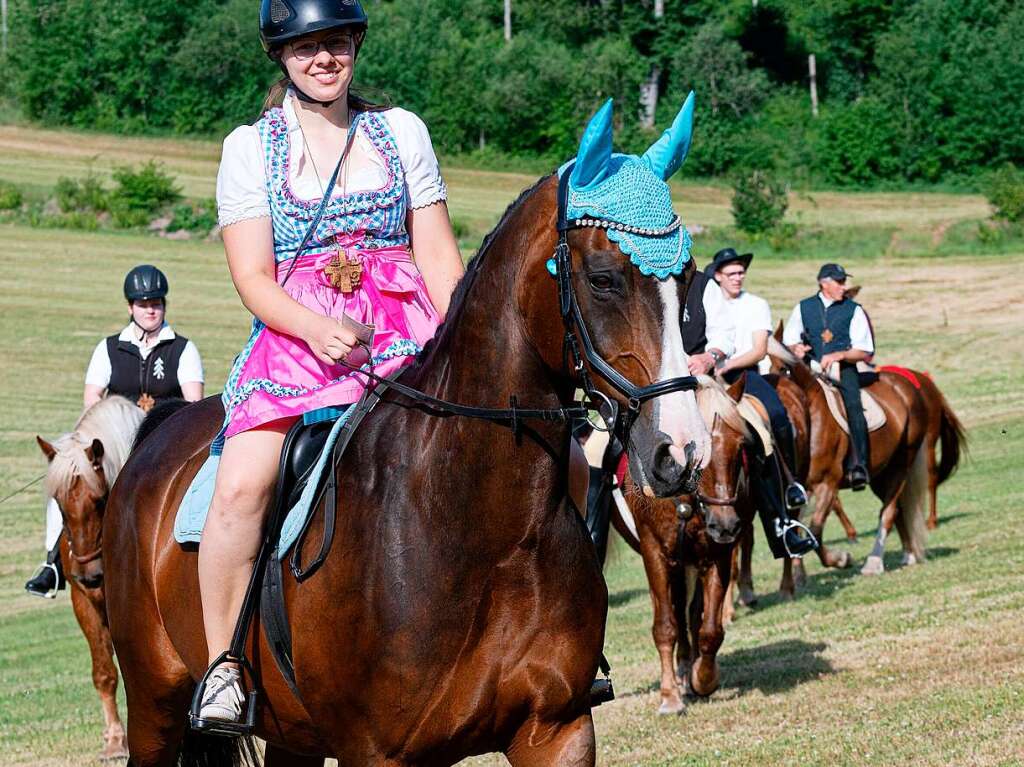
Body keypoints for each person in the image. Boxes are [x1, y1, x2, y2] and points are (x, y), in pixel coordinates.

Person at [193, 0, 464, 729]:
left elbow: (436, 253)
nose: (324, 58)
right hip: (297, 333)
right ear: (280, 55)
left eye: (337, 43)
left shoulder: (401, 131)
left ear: (355, 46)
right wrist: (317, 329)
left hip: (406, 328)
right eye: (307, 46)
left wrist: (461, 339)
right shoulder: (249, 148)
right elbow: (253, 275)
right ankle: (223, 667)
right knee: (244, 485)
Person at [24, 265, 205, 599]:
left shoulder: (183, 350)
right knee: (66, 480)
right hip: (113, 449)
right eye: (142, 303)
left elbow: (192, 403)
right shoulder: (108, 349)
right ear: (130, 307)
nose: (150, 308)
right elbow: (92, 401)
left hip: (162, 449)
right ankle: (51, 563)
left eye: (156, 302)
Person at [707, 248, 815, 559]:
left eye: (741, 272)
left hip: (743, 373)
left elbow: (758, 349)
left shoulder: (756, 305)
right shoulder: (707, 304)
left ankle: (790, 485)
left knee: (778, 417)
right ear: (718, 276)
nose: (738, 277)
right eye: (732, 273)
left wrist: (726, 367)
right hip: (708, 375)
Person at [783, 263, 874, 490]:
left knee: (853, 406)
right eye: (840, 282)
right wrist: (796, 348)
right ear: (824, 283)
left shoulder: (855, 310)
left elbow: (864, 350)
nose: (845, 286)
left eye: (844, 281)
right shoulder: (803, 307)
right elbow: (789, 339)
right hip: (808, 370)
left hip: (843, 371)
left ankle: (859, 465)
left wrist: (839, 354)